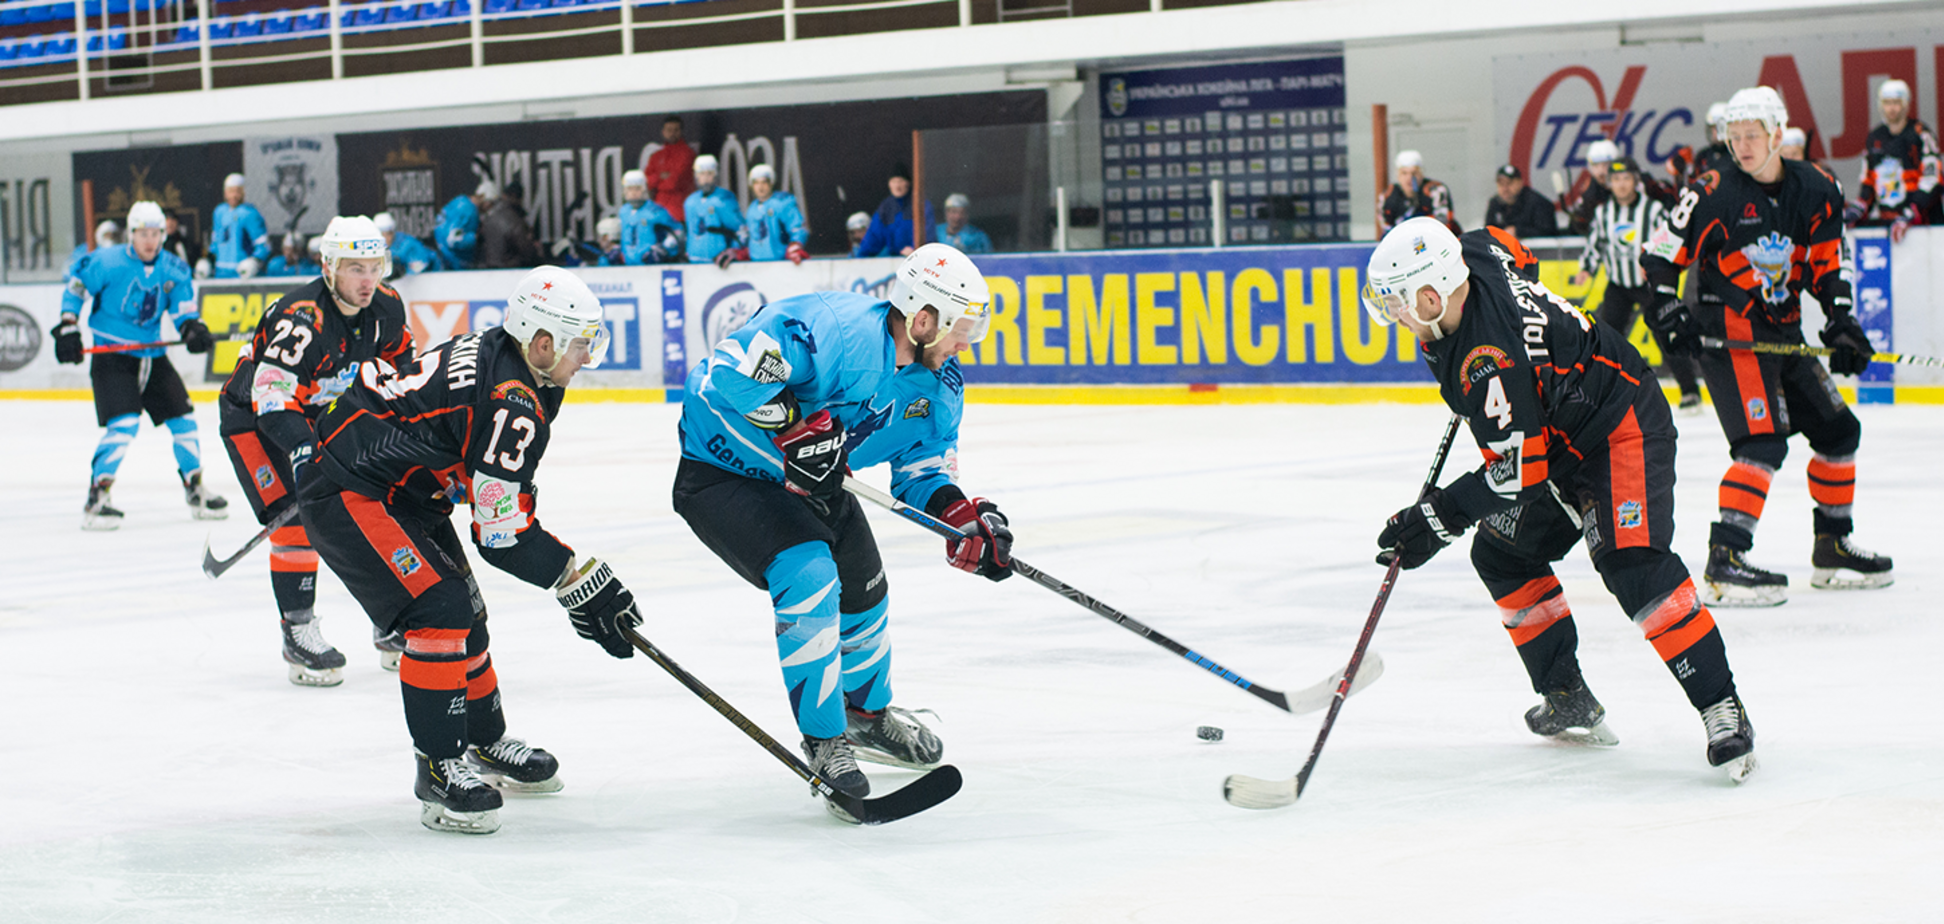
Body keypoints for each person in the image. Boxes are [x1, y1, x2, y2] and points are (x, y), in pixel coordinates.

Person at [1360, 216, 1756, 783]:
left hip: (1617, 423)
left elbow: (1516, 473)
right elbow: (1514, 249)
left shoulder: (1487, 360)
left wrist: (1439, 516)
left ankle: (1722, 706)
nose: (1392, 313)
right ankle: (1565, 694)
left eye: (1397, 301)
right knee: (1502, 555)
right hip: (1550, 434)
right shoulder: (1474, 252)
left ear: (1430, 295)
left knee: (1631, 562)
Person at [299, 266, 642, 835]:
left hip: (397, 486)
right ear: (541, 342)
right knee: (439, 611)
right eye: (580, 344)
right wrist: (573, 577)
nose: (587, 358)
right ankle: (438, 766)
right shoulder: (515, 401)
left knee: (467, 616)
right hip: (352, 488)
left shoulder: (506, 360)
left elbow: (488, 495)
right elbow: (502, 536)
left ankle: (482, 741)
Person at [671, 242, 1006, 819]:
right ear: (923, 318)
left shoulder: (937, 387)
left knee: (865, 585)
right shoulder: (832, 330)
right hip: (724, 470)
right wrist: (793, 424)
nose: (965, 345)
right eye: (961, 328)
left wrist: (961, 519)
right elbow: (730, 370)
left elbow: (923, 469)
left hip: (818, 482)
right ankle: (826, 741)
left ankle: (867, 716)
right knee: (811, 575)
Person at [1640, 85, 1892, 608]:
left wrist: (1841, 320)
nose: (1742, 145)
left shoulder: (1819, 187)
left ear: (1778, 134)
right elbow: (1660, 256)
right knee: (1761, 443)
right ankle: (1726, 557)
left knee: (1839, 431)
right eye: (1733, 136)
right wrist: (1666, 307)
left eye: (1752, 134)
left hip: (1782, 334)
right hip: (1728, 335)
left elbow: (1828, 263)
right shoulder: (1710, 191)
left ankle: (1832, 546)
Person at [218, 216, 415, 687]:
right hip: (256, 421)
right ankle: (298, 632)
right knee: (299, 518)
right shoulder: (300, 319)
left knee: (380, 504)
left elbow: (403, 376)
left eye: (375, 267)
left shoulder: (387, 307)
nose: (367, 280)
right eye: (354, 268)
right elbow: (271, 404)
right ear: (328, 268)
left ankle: (390, 622)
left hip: (322, 415)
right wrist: (307, 453)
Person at [51, 201, 227, 530]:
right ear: (131, 234)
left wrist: (193, 328)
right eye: (143, 233)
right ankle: (98, 496)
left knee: (184, 421)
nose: (150, 240)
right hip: (112, 356)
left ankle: (195, 489)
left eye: (156, 233)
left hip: (152, 356)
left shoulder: (174, 267)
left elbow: (183, 309)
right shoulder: (106, 261)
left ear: (163, 234)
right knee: (124, 425)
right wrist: (67, 326)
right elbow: (76, 287)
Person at [1569, 158, 1701, 413]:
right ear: (1609, 183)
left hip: (1647, 284)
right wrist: (1587, 268)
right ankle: (1603, 394)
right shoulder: (1603, 212)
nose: (1620, 184)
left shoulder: (1652, 210)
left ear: (1636, 181)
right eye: (1615, 179)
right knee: (1604, 340)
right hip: (1618, 284)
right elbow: (1596, 244)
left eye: (1626, 178)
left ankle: (1690, 391)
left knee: (1666, 333)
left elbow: (1668, 238)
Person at [1845, 79, 1940, 243]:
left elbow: (1933, 180)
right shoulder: (1875, 137)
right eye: (1887, 102)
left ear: (1906, 104)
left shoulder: (1920, 134)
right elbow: (1869, 183)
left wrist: (1910, 214)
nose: (1892, 108)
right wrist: (1857, 210)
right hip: (1888, 225)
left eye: (1897, 102)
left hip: (1924, 227)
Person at [854, 166, 934, 258]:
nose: (897, 186)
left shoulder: (921, 205)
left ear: (908, 183)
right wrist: (860, 258)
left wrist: (915, 250)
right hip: (895, 260)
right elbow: (874, 237)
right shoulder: (885, 208)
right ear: (889, 184)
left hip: (919, 259)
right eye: (894, 182)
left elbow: (928, 235)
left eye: (900, 181)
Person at [683, 155, 745, 267]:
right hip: (693, 262)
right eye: (702, 174)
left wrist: (734, 251)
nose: (706, 178)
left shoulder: (723, 199)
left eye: (709, 174)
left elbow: (740, 230)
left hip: (718, 263)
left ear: (716, 175)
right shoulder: (690, 202)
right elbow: (691, 232)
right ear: (696, 176)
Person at [1379, 150, 1458, 236]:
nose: (1409, 178)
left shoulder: (1435, 191)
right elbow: (1387, 230)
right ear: (1398, 176)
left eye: (1414, 173)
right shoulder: (1388, 196)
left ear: (1421, 174)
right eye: (1404, 173)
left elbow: (1444, 224)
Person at [744, 163, 809, 263]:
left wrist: (795, 246)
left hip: (781, 262)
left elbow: (797, 227)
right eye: (756, 183)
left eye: (764, 182)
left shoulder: (783, 202)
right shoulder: (751, 208)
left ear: (771, 183)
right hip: (756, 264)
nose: (760, 187)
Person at [212, 173, 271, 279]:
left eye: (237, 191)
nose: (234, 195)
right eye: (230, 191)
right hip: (220, 272)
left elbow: (264, 245)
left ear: (243, 193)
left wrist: (254, 261)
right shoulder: (219, 212)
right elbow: (216, 241)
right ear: (225, 193)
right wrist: (208, 259)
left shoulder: (250, 213)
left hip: (242, 272)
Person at [618, 169, 681, 265]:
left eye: (637, 189)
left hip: (650, 265)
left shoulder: (655, 211)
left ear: (644, 189)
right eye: (630, 189)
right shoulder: (623, 211)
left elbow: (677, 231)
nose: (633, 193)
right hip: (628, 265)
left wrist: (664, 249)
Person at [1482, 164, 1557, 240]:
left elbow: (1548, 232)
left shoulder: (1537, 203)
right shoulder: (1495, 203)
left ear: (1520, 183)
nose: (1505, 188)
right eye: (1501, 184)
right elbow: (1488, 231)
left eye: (1509, 183)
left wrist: (1519, 232)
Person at [478, 179, 541, 269]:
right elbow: (526, 250)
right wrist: (535, 249)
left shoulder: (489, 216)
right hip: (508, 270)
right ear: (518, 198)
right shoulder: (514, 220)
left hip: (488, 268)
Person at [437, 179, 499, 270]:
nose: (489, 208)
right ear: (482, 197)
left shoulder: (460, 200)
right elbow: (453, 240)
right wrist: (475, 238)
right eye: (490, 203)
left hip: (444, 255)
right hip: (453, 262)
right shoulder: (469, 211)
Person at [646, 115, 697, 222]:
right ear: (663, 132)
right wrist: (661, 177)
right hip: (659, 213)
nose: (672, 133)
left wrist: (658, 179)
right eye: (669, 130)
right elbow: (647, 182)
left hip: (680, 213)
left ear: (681, 132)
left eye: (676, 130)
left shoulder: (687, 154)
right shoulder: (656, 156)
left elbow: (674, 182)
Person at [1562, 139, 1619, 235]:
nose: (1601, 171)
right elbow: (1578, 226)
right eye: (1595, 165)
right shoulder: (1589, 192)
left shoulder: (1641, 183)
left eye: (1606, 164)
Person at [375, 212, 442, 277]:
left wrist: (404, 271)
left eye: (388, 234)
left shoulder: (408, 245)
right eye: (380, 235)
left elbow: (420, 265)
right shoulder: (375, 247)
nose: (385, 238)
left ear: (393, 232)